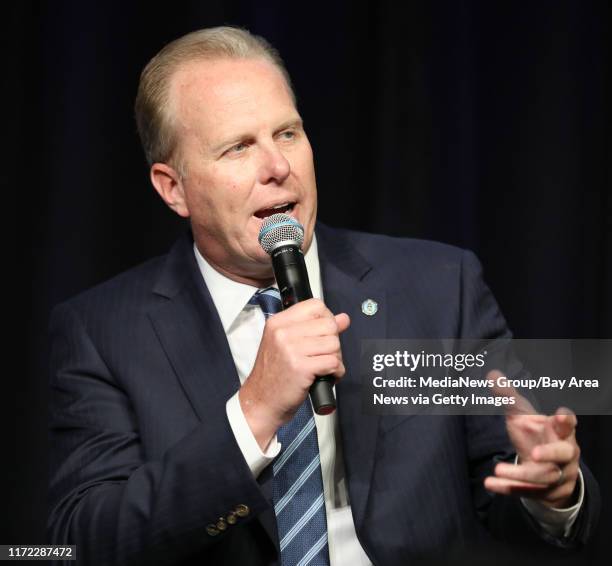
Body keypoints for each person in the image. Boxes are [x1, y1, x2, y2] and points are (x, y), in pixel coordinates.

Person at [48, 27, 599, 566]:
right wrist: (253, 412)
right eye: (239, 147)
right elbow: (83, 542)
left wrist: (551, 492)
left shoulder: (437, 286)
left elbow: (510, 476)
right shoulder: (103, 332)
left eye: (287, 133)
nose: (278, 167)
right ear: (174, 188)